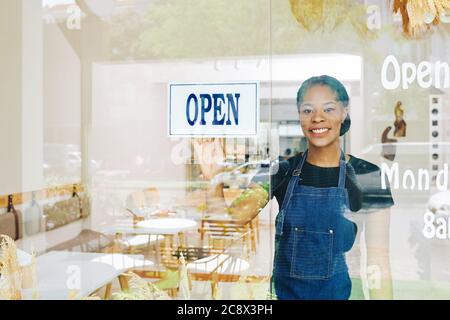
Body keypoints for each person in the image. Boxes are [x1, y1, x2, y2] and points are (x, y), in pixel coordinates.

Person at [270, 75, 394, 300]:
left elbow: (378, 259)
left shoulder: (370, 175)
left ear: (344, 112)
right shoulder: (282, 171)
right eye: (308, 110)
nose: (317, 118)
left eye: (328, 109)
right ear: (300, 116)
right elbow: (234, 216)